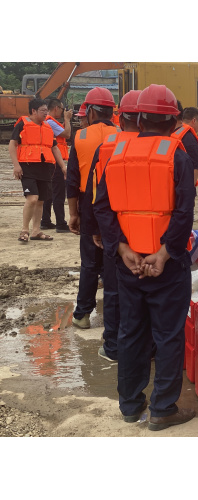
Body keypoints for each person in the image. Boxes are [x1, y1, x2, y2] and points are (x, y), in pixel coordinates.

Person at [93, 84, 196, 430]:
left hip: (129, 264)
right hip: (166, 265)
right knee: (167, 335)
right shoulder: (176, 155)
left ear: (136, 118)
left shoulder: (117, 154)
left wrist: (122, 250)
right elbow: (183, 213)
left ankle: (130, 406)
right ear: (174, 120)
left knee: (131, 332)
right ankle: (164, 408)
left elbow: (103, 208)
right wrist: (165, 254)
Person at [86, 90, 142, 362]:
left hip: (115, 232)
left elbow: (94, 195)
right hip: (152, 236)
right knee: (149, 293)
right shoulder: (168, 148)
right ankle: (149, 348)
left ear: (121, 117)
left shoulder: (108, 147)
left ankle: (113, 347)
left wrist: (96, 230)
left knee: (114, 291)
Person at [66, 87, 119, 329]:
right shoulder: (122, 135)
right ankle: (114, 317)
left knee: (89, 262)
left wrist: (73, 213)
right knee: (113, 259)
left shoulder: (80, 137)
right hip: (117, 203)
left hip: (88, 203)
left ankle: (83, 314)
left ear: (92, 112)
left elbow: (73, 179)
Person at [9, 98, 64, 242]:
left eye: (46, 110)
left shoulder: (47, 127)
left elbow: (54, 147)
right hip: (27, 167)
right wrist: (16, 165)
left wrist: (63, 166)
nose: (46, 113)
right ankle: (24, 230)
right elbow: (12, 145)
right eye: (43, 111)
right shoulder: (22, 125)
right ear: (33, 111)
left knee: (41, 200)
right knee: (32, 199)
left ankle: (36, 231)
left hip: (45, 167)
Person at [41, 98, 72, 232]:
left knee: (49, 193)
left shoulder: (48, 122)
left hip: (51, 161)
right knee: (58, 193)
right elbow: (67, 134)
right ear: (56, 108)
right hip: (56, 162)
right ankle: (61, 223)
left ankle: (45, 220)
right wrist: (68, 119)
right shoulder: (50, 122)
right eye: (61, 108)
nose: (62, 111)